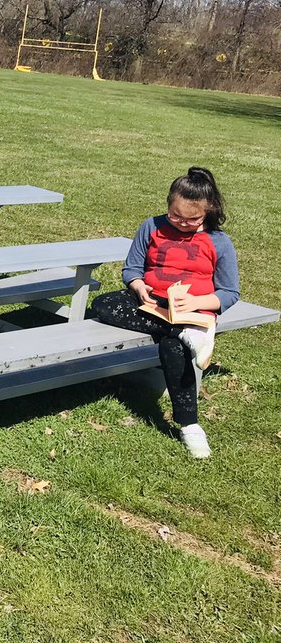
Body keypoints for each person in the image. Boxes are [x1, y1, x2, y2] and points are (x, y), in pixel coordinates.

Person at [91, 167, 239, 459]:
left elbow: (229, 292)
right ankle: (185, 333)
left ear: (207, 212)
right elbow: (132, 268)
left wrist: (197, 304)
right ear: (168, 203)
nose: (182, 223)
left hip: (192, 309)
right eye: (175, 216)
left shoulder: (219, 241)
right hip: (152, 302)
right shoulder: (151, 226)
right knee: (103, 304)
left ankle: (189, 424)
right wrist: (138, 285)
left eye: (192, 219)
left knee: (174, 350)